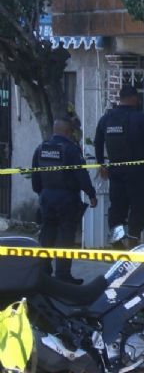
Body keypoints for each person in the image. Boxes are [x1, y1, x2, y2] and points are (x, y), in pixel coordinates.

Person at [94, 85, 144, 247]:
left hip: (116, 172)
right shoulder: (140, 118)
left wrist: (101, 164)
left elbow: (98, 142)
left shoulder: (107, 119)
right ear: (133, 98)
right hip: (137, 172)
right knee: (139, 206)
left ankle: (117, 242)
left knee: (117, 207)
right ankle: (133, 240)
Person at [32, 118, 98, 284]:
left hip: (47, 197)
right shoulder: (71, 150)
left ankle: (44, 271)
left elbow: (35, 177)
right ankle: (62, 275)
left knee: (47, 234)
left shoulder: (41, 148)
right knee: (65, 237)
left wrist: (43, 193)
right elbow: (81, 175)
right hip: (66, 198)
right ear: (67, 132)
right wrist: (91, 194)